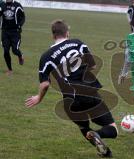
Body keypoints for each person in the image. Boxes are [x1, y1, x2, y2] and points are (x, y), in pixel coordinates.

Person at [25, 20, 118, 158]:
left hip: (70, 100)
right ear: (67, 32)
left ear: (53, 35)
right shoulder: (78, 43)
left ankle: (105, 152)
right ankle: (98, 134)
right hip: (89, 92)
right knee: (113, 129)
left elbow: (45, 84)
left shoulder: (46, 56)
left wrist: (38, 97)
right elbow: (92, 65)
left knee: (83, 126)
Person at [0, 0, 25, 75]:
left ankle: (20, 55)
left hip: (15, 32)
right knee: (6, 51)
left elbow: (23, 17)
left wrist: (19, 25)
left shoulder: (17, 5)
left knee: (15, 50)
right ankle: (10, 69)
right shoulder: (2, 5)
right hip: (5, 32)